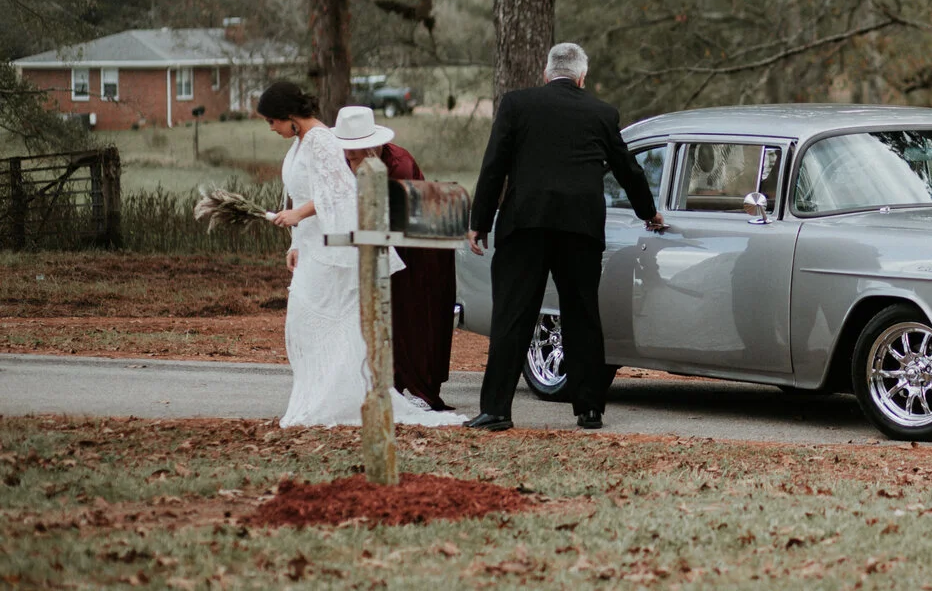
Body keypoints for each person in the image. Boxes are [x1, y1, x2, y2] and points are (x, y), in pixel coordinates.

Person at [464, 43, 665, 432]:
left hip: (525, 224)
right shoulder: (602, 113)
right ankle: (589, 410)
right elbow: (628, 169)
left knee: (512, 314)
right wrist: (648, 212)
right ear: (581, 77)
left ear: (546, 73)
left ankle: (496, 410)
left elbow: (495, 166)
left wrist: (480, 221)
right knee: (582, 314)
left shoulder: (516, 105)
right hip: (580, 227)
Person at [258, 80, 463, 428]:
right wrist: (295, 240)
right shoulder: (303, 142)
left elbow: (340, 194)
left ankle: (344, 396)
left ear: (290, 116)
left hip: (354, 246)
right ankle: (323, 394)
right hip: (312, 243)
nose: (271, 128)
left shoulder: (324, 141)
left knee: (330, 324)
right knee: (306, 324)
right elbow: (307, 192)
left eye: (272, 121)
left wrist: (297, 216)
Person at [334, 105, 457, 412]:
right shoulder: (349, 161)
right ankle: (392, 380)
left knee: (416, 315)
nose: (348, 160)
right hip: (384, 241)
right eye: (346, 154)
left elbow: (397, 214)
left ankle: (422, 389)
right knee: (389, 315)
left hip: (420, 243)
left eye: (353, 154)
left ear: (370, 146)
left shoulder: (397, 165)